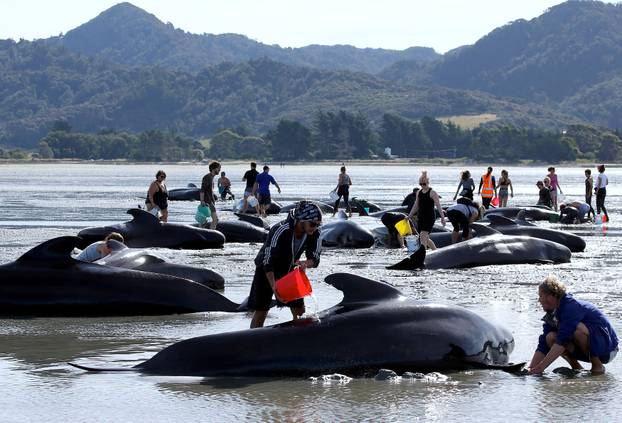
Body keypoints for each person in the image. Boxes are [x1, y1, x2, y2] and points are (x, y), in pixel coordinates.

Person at [248, 201, 322, 328]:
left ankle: (298, 342)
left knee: (300, 311)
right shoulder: (280, 229)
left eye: (318, 225)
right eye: (313, 224)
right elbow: (268, 260)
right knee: (261, 310)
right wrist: (274, 287)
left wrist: (305, 263)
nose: (315, 228)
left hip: (289, 270)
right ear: (302, 220)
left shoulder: (315, 233)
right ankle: (252, 342)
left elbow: (315, 259)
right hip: (266, 270)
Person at [528, 275, 618, 375]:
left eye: (540, 296)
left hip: (607, 350)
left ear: (550, 296)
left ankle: (598, 366)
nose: (539, 300)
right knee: (550, 337)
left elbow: (562, 340)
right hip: (587, 350)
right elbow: (543, 345)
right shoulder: (553, 313)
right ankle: (577, 368)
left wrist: (540, 368)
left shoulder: (570, 307)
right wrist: (531, 368)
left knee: (577, 329)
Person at [407, 171, 445, 250]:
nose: (422, 186)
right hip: (420, 217)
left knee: (423, 234)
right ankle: (435, 250)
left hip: (429, 217)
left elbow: (438, 205)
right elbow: (416, 205)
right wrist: (409, 215)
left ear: (428, 182)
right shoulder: (419, 192)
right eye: (420, 184)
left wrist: (442, 217)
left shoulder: (433, 192)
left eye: (424, 184)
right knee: (425, 238)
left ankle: (423, 253)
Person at [200, 161, 221, 229]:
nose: (219, 170)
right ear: (214, 168)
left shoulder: (211, 177)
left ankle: (201, 232)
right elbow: (202, 190)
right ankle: (211, 234)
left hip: (210, 201)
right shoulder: (207, 177)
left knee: (203, 221)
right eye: (218, 168)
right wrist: (202, 201)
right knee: (215, 219)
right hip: (207, 202)